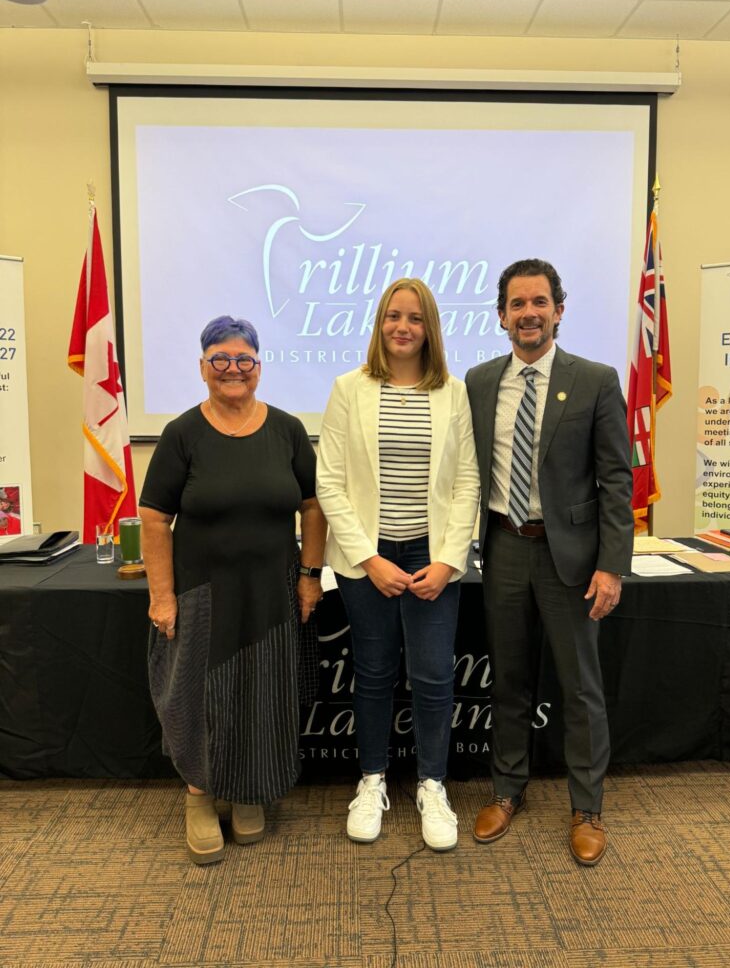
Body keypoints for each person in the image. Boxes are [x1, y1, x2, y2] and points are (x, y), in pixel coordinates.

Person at [139, 315, 326, 865]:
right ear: (203, 368)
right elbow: (153, 520)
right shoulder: (181, 434)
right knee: (196, 697)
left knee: (263, 693)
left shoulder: (287, 430)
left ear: (259, 368)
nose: (232, 370)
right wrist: (161, 595)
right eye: (220, 359)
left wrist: (310, 576)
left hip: (271, 592)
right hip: (202, 594)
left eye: (243, 359)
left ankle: (248, 792)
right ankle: (199, 797)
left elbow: (313, 508)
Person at [465, 258, 633, 866]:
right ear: (502, 315)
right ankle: (507, 790)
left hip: (572, 559)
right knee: (508, 678)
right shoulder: (479, 382)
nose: (528, 313)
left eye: (539, 302)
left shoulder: (595, 379)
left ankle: (587, 807)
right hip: (504, 547)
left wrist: (612, 565)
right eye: (516, 304)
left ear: (558, 310)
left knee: (581, 687)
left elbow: (617, 479)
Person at [317, 278, 479, 852]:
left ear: (429, 327)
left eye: (413, 317)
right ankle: (373, 781)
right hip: (371, 558)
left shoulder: (452, 393)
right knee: (375, 673)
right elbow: (329, 481)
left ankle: (432, 785)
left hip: (432, 557)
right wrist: (368, 558)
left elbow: (467, 484)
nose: (402, 327)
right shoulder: (349, 388)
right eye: (392, 316)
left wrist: (448, 560)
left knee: (434, 675)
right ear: (379, 323)